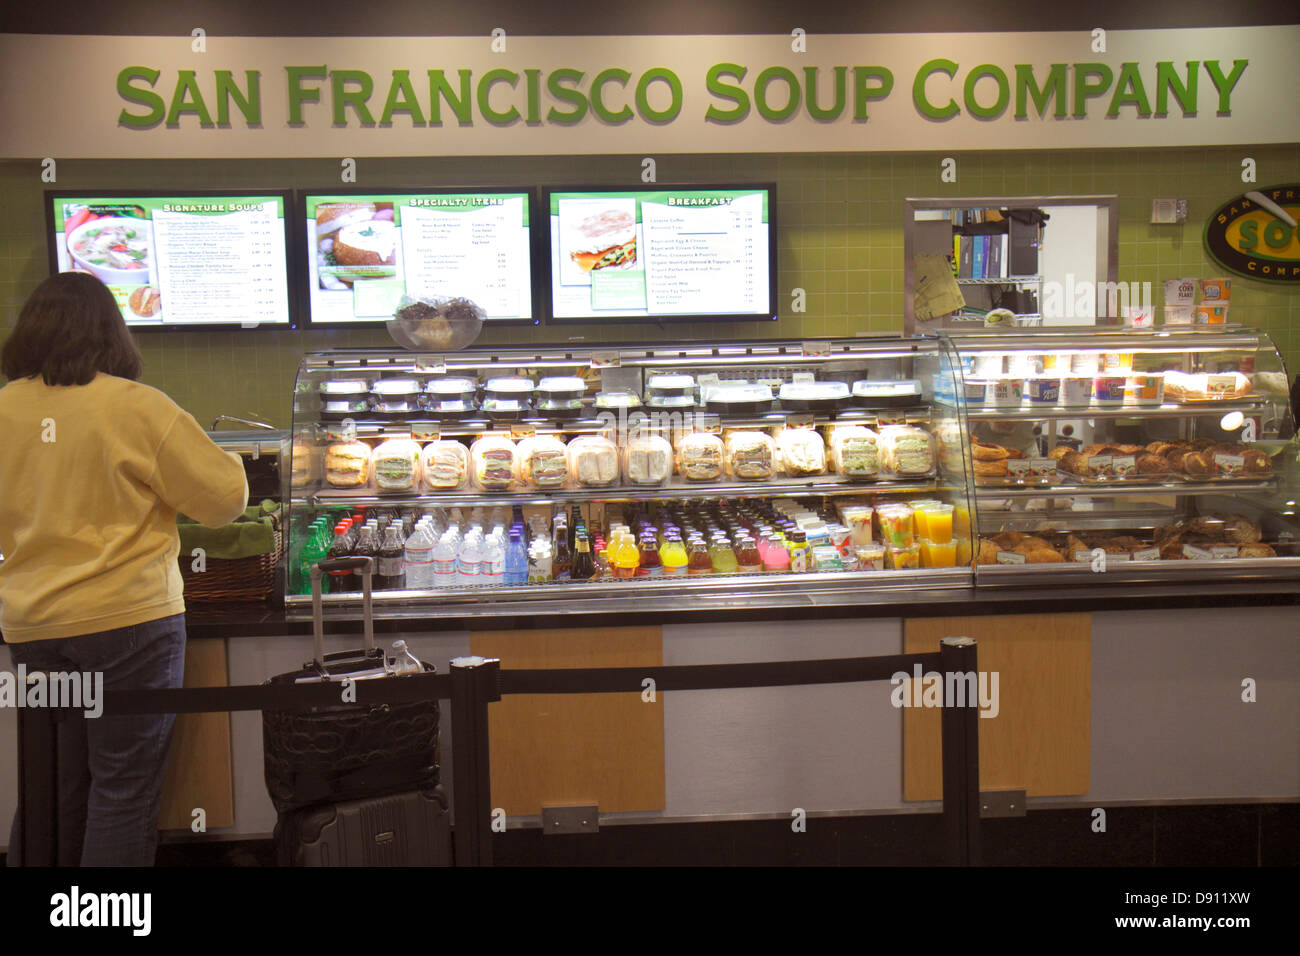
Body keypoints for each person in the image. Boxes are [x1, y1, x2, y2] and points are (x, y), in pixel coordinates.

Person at [0, 272, 248, 866]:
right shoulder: (136, 407)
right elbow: (225, 501)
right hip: (127, 622)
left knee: (54, 786)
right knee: (122, 791)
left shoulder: (5, 409)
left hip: (33, 627)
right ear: (113, 335)